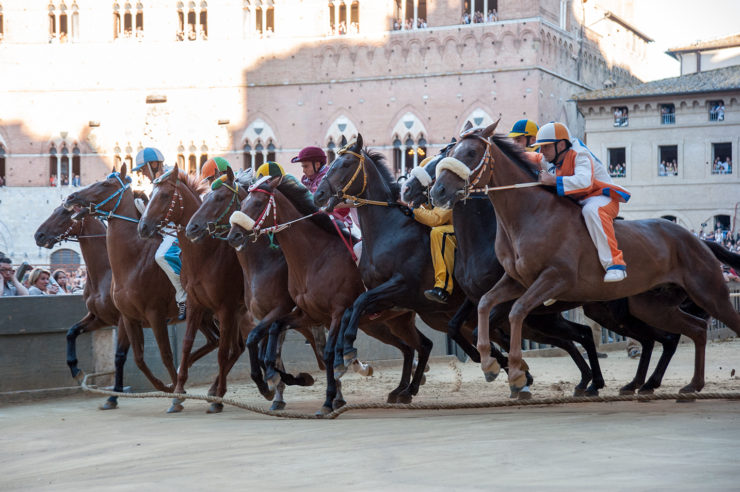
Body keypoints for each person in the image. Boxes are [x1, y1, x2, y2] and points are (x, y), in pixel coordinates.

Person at [533, 122, 630, 282]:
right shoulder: (549, 156)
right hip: (578, 201)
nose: (541, 151)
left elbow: (585, 182)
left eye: (546, 146)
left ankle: (615, 265)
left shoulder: (580, 154)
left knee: (591, 211)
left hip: (602, 199)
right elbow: (529, 156)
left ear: (561, 144)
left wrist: (553, 180)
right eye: (540, 147)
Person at [133, 147, 187, 320]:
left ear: (154, 164)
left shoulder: (173, 176)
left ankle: (183, 296)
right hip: (164, 232)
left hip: (177, 231)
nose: (142, 173)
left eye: (143, 169)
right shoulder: (157, 183)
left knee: (162, 256)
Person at [407, 156, 456, 304]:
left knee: (438, 233)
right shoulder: (429, 193)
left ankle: (443, 288)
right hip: (452, 226)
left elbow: (436, 220)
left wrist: (412, 209)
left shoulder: (449, 191)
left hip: (465, 230)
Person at [291, 145, 354, 229]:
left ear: (317, 164)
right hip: (316, 220)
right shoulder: (306, 179)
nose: (303, 170)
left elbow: (341, 208)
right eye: (303, 167)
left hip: (338, 223)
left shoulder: (330, 178)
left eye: (306, 166)